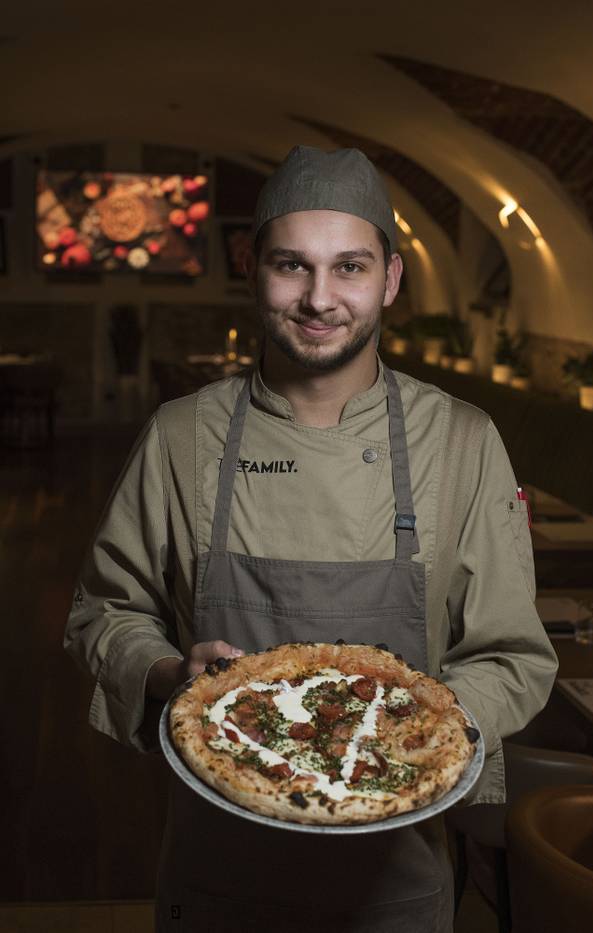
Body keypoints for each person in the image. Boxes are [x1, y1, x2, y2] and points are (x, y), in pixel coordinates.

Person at [65, 145, 558, 932]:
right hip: (215, 876)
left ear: (391, 279)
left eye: (350, 268)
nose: (319, 298)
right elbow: (103, 614)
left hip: (396, 883)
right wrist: (169, 671)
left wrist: (417, 723)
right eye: (292, 265)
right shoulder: (182, 433)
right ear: (252, 268)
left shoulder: (463, 441)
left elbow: (512, 655)